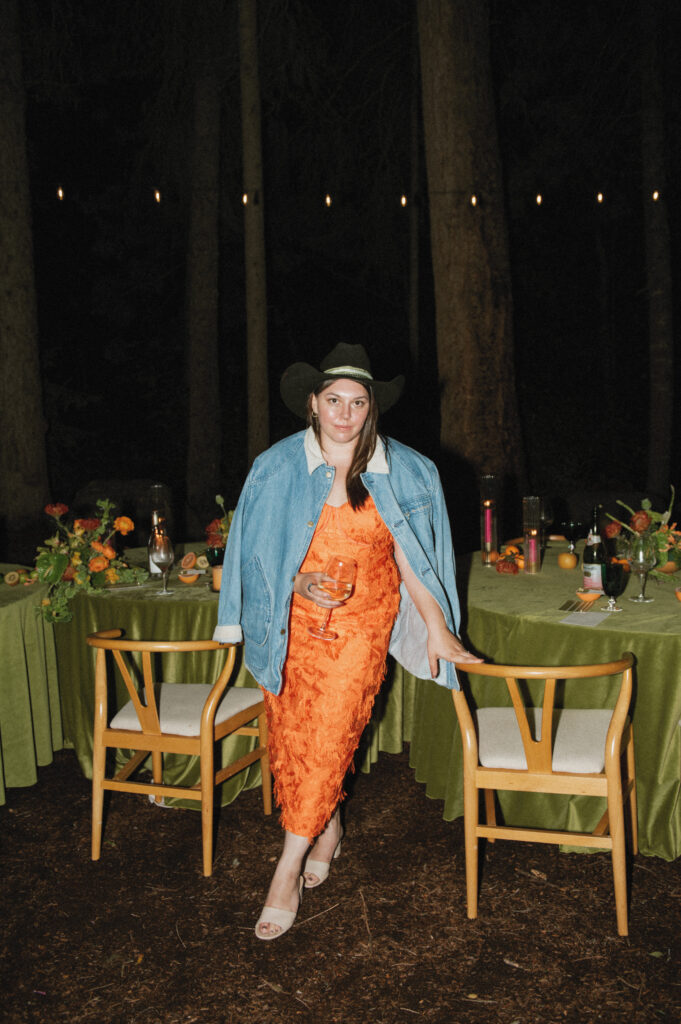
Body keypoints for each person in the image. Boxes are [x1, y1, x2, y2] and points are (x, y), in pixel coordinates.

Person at [213, 343, 482, 940]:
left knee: (333, 728)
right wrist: (297, 580)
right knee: (294, 735)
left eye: (357, 402)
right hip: (294, 624)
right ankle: (326, 828)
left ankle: (284, 870)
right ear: (312, 404)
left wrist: (437, 625)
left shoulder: (406, 470)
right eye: (333, 400)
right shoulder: (276, 466)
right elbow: (251, 552)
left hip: (364, 623)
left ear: (371, 410)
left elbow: (418, 559)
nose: (344, 412)